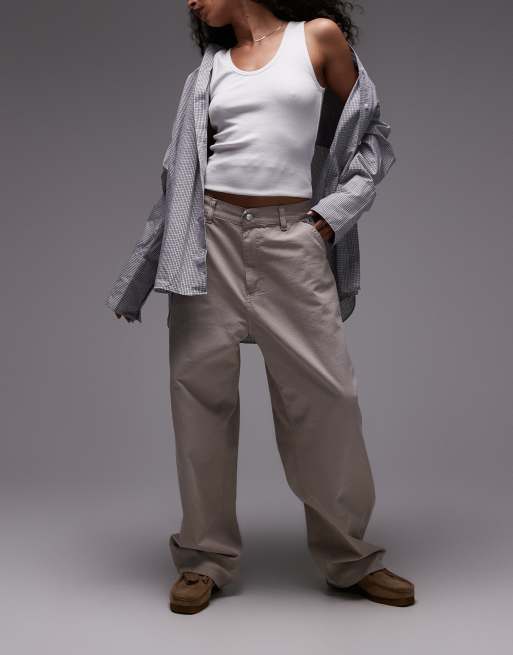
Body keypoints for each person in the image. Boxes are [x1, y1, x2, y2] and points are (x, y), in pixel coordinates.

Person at [107, 0, 415, 613]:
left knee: (328, 399)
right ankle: (204, 557)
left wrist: (328, 219)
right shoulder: (209, 70)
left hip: (291, 239)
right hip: (209, 240)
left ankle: (350, 557)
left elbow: (372, 139)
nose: (190, 2)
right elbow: (179, 175)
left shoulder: (317, 39)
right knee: (199, 400)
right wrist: (147, 265)